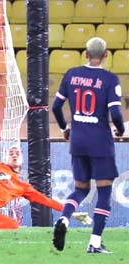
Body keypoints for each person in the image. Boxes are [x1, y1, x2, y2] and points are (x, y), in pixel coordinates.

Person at [51, 37, 125, 254]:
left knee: (80, 189)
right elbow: (116, 113)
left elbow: (56, 106)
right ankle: (94, 242)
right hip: (100, 141)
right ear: (106, 54)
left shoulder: (72, 74)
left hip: (78, 140)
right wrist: (120, 130)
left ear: (85, 54)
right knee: (103, 191)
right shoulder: (110, 79)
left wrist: (65, 129)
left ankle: (64, 218)